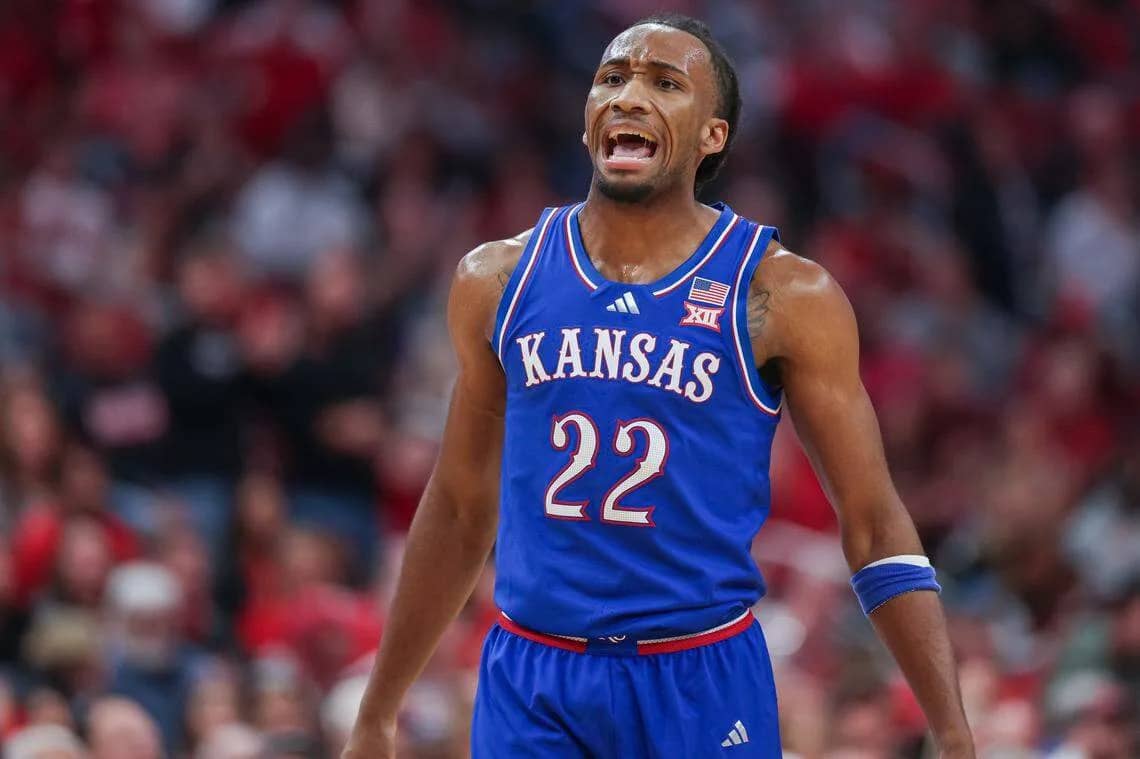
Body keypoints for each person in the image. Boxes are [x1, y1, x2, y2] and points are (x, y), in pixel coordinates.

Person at [344, 13, 974, 759]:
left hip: (700, 674)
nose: (629, 96)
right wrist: (378, 711)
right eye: (612, 78)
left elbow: (872, 524)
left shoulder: (783, 295)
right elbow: (456, 508)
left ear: (713, 136)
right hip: (534, 672)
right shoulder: (498, 279)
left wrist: (953, 731)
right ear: (587, 124)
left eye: (665, 83)